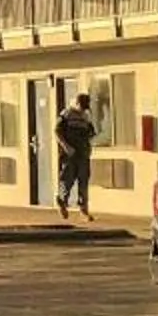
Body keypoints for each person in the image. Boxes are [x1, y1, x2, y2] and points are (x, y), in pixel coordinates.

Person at [53, 92, 98, 221]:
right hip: (70, 154)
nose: (84, 109)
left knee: (83, 181)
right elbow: (57, 132)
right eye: (82, 106)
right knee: (67, 180)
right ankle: (62, 201)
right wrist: (66, 146)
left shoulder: (86, 116)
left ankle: (84, 209)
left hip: (83, 153)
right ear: (77, 103)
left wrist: (88, 143)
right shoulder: (66, 115)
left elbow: (91, 132)